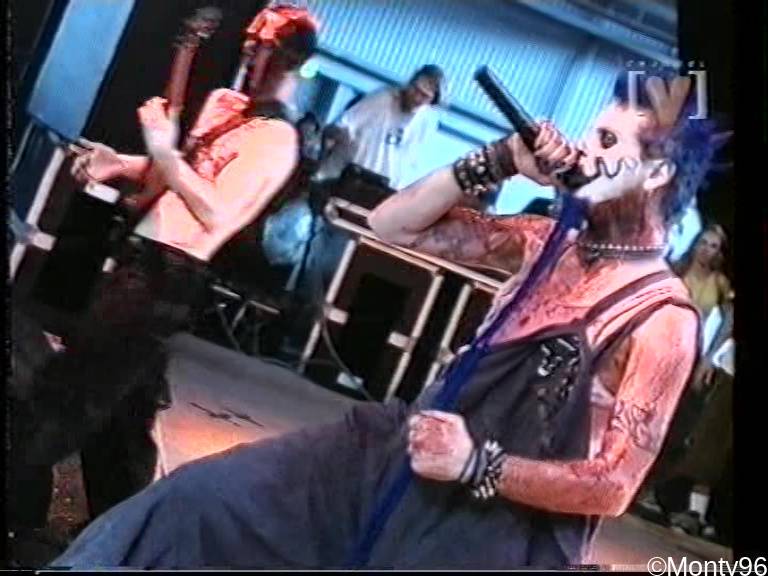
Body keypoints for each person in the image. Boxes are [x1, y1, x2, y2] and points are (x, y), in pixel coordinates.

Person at [51, 69, 723, 569]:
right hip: (395, 456)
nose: (579, 151)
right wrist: (497, 160)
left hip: (495, 533)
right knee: (195, 507)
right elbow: (391, 223)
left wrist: (477, 464)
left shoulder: (660, 317)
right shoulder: (544, 241)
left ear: (656, 172)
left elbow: (612, 486)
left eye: (604, 140)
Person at [14, 5, 318, 523]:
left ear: (287, 58)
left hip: (168, 276)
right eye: (250, 44)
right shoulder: (230, 108)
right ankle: (125, 527)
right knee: (122, 422)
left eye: (261, 46)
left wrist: (163, 148)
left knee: (68, 395)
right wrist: (124, 162)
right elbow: (182, 174)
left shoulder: (277, 139)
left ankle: (19, 505)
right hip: (141, 260)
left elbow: (215, 210)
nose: (249, 54)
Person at [646, 224, 734, 539]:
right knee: (646, 415)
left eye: (714, 246)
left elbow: (727, 323)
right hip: (661, 348)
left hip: (692, 357)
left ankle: (655, 488)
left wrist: (709, 359)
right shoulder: (678, 270)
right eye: (704, 243)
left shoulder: (719, 284)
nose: (707, 250)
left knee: (677, 425)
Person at [328, 65, 444, 189]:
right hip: (343, 177)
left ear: (432, 101)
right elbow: (341, 126)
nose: (416, 98)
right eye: (415, 90)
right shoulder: (383, 98)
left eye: (424, 96)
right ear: (410, 83)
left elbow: (408, 161)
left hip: (378, 188)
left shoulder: (426, 121)